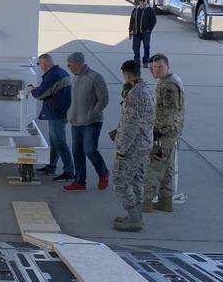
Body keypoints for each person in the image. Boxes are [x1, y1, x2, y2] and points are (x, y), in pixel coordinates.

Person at [111, 59, 156, 231]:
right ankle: (135, 216)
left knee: (120, 181)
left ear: (127, 75)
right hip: (143, 145)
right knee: (136, 181)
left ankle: (135, 218)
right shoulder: (145, 89)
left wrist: (121, 150)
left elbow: (131, 125)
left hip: (133, 147)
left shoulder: (136, 94)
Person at [142, 54, 185, 214]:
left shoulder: (169, 86)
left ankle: (145, 201)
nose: (156, 70)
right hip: (171, 132)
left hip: (165, 133)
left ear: (167, 66)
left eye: (159, 66)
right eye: (153, 67)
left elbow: (170, 112)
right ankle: (166, 200)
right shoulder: (166, 81)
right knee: (167, 167)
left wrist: (159, 132)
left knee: (155, 165)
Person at [62, 51, 111, 192]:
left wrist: (92, 113)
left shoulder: (95, 77)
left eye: (69, 65)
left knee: (89, 150)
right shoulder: (76, 77)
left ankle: (103, 172)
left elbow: (104, 98)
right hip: (76, 121)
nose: (68, 67)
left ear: (77, 64)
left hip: (91, 122)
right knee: (77, 152)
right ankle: (80, 181)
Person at [30, 53, 74, 182]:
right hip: (62, 111)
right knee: (54, 141)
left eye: (39, 64)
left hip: (57, 114)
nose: (39, 67)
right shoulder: (60, 72)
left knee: (59, 142)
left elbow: (39, 95)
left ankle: (69, 171)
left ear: (45, 64)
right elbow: (51, 90)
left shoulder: (52, 76)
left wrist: (32, 89)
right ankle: (51, 166)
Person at [129, 0, 157, 67]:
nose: (142, 2)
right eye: (140, 1)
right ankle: (136, 61)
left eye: (143, 1)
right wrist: (130, 30)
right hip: (136, 32)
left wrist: (149, 30)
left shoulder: (149, 10)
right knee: (135, 48)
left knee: (146, 47)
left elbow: (154, 21)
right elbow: (132, 20)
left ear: (146, 2)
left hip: (145, 33)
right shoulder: (135, 10)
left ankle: (146, 61)